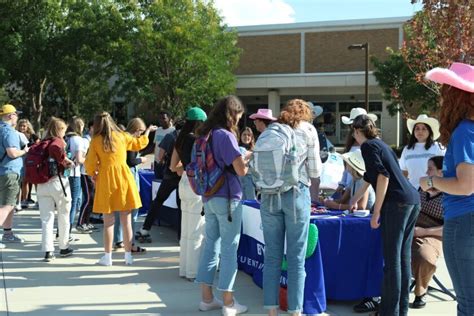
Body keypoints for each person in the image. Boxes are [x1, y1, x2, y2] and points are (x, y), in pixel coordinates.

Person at [349, 114, 420, 316]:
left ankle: (389, 312)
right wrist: (353, 201)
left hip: (396, 204)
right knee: (402, 260)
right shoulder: (381, 145)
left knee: (392, 263)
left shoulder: (367, 147)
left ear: (356, 132)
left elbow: (383, 176)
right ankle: (400, 311)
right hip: (412, 200)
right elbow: (370, 177)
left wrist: (376, 212)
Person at [420, 62, 474, 315]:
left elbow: (465, 186)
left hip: (464, 221)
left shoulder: (465, 131)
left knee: (468, 302)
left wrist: (430, 182)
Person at [260, 99, 322, 316]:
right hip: (295, 194)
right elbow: (314, 171)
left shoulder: (273, 129)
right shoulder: (308, 130)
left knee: (272, 257)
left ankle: (271, 310)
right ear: (306, 114)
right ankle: (295, 311)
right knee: (296, 258)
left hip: (268, 196)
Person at [194, 95, 250, 316]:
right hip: (228, 197)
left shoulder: (205, 134)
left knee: (211, 246)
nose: (238, 120)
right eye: (238, 115)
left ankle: (207, 299)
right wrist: (247, 159)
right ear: (231, 113)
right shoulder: (226, 136)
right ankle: (229, 302)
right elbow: (240, 170)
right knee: (229, 249)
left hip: (209, 195)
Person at [84, 111, 156, 266]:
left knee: (108, 222)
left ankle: (108, 257)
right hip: (124, 178)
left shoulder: (96, 140)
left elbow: (89, 163)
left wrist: (93, 174)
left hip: (106, 180)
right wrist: (148, 132)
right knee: (127, 221)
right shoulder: (122, 136)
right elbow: (140, 143)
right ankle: (128, 256)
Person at [169, 107, 207, 281]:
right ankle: (194, 272)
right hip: (196, 183)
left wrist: (185, 168)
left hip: (184, 181)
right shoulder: (198, 141)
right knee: (196, 230)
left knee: (186, 229)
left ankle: (185, 269)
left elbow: (173, 168)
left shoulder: (180, 139)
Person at [37, 117, 75, 261]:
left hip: (41, 183)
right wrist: (66, 161)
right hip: (57, 182)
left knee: (46, 218)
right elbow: (56, 151)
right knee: (63, 215)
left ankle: (48, 251)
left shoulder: (41, 142)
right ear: (59, 130)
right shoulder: (57, 141)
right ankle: (63, 247)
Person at [136, 120, 181, 242]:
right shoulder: (195, 138)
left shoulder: (171, 136)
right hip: (186, 175)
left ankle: (145, 228)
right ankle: (181, 236)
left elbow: (160, 156)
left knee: (158, 201)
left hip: (170, 175)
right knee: (182, 206)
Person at [411, 156, 445, 309]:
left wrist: (424, 232)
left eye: (430, 168)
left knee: (425, 256)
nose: (426, 172)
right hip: (413, 228)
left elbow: (450, 227)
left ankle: (420, 291)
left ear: (441, 172)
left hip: (434, 233)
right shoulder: (422, 188)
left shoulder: (450, 195)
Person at [113, 118, 149, 254]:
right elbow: (132, 161)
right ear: (136, 130)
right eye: (140, 132)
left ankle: (119, 240)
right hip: (130, 176)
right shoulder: (130, 140)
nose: (140, 135)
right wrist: (142, 159)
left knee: (118, 210)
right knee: (132, 212)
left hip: (119, 177)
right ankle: (131, 243)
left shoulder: (121, 138)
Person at [0, 104, 29, 248]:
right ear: (10, 115)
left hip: (2, 172)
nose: (17, 117)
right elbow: (12, 153)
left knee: (8, 205)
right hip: (9, 172)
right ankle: (5, 233)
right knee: (7, 205)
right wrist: (24, 151)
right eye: (16, 114)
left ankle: (8, 233)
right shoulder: (9, 131)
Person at [336, 108, 378, 198]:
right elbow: (347, 167)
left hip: (364, 186)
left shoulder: (373, 144)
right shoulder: (351, 143)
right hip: (350, 187)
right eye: (352, 126)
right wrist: (342, 184)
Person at [399, 114, 445, 189]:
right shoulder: (407, 149)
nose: (420, 131)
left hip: (432, 192)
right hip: (412, 192)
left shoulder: (437, 147)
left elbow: (445, 169)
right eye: (417, 128)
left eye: (424, 129)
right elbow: (404, 172)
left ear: (429, 131)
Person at [76, 120, 98, 233]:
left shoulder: (95, 141)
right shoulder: (85, 141)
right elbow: (81, 159)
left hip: (93, 173)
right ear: (90, 128)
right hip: (85, 173)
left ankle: (86, 222)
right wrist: (92, 162)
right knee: (88, 198)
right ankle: (80, 223)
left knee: (92, 199)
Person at [65, 116, 86, 234]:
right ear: (79, 126)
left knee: (65, 203)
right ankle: (67, 231)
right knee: (73, 203)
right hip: (74, 173)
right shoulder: (78, 139)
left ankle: (61, 230)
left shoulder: (67, 138)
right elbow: (79, 159)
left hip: (65, 173)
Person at [17, 118, 39, 208]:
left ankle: (39, 200)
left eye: (24, 126)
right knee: (24, 181)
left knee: (36, 181)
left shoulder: (33, 136)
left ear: (28, 126)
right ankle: (24, 200)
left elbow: (39, 145)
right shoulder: (16, 135)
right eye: (21, 126)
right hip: (22, 159)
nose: (22, 127)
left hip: (33, 159)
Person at [153, 111, 175, 179]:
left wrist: (164, 159)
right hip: (156, 162)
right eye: (159, 118)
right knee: (157, 183)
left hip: (166, 163)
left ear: (169, 119)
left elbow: (173, 149)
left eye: (163, 118)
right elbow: (155, 145)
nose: (161, 120)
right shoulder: (158, 130)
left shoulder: (173, 131)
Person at [239, 127, 256, 200]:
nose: (246, 137)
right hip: (239, 179)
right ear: (240, 136)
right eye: (244, 134)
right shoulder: (236, 148)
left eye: (249, 135)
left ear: (252, 137)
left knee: (251, 203)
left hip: (251, 180)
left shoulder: (255, 150)